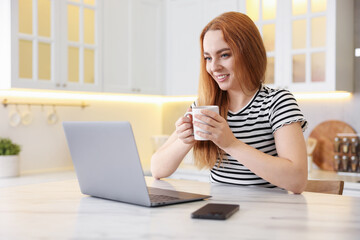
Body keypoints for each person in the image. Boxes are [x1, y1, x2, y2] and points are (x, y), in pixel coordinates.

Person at [151, 11, 308, 194]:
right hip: (217, 213)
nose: (213, 67)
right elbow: (157, 169)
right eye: (208, 58)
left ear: (249, 53)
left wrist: (231, 144)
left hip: (266, 216)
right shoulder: (205, 105)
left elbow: (297, 181)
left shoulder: (277, 102)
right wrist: (185, 140)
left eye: (224, 55)